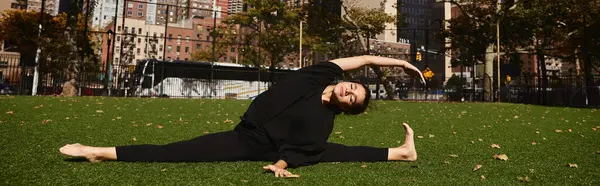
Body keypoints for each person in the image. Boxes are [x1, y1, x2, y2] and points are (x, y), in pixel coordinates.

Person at [59, 55, 426, 178]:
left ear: (348, 108)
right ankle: (401, 153)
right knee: (332, 150)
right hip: (249, 126)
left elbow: (302, 149)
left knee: (178, 150)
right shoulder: (320, 75)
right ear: (346, 83)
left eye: (354, 100)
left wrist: (281, 164)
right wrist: (400, 63)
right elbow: (362, 59)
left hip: (253, 143)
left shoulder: (323, 120)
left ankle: (99, 151)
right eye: (354, 88)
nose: (350, 93)